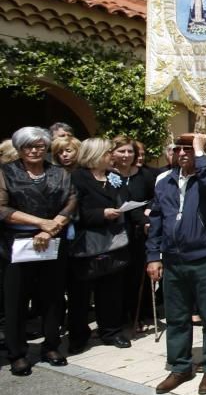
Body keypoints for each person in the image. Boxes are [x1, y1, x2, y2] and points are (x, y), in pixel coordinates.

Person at [146, 133, 206, 395]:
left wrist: (201, 151)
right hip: (173, 259)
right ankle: (180, 366)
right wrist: (153, 256)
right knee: (177, 317)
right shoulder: (164, 181)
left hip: (205, 258)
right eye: (178, 149)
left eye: (189, 150)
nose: (183, 154)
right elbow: (157, 219)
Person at [0, 127, 76, 375]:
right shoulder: (5, 172)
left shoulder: (59, 173)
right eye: (28, 147)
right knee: (17, 301)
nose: (34, 150)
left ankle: (51, 346)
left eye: (39, 146)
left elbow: (71, 201)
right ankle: (18, 353)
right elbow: (2, 209)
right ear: (20, 150)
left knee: (53, 298)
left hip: (53, 242)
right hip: (17, 243)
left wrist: (51, 228)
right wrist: (39, 223)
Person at [67, 138, 131, 354]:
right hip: (87, 243)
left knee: (111, 290)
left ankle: (111, 331)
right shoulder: (77, 178)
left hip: (113, 241)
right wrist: (101, 214)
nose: (111, 156)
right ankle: (78, 335)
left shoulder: (114, 177)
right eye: (108, 152)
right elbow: (73, 211)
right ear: (95, 155)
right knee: (80, 294)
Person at [110, 135, 156, 329]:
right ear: (112, 153)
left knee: (139, 276)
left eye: (130, 151)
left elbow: (155, 196)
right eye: (122, 151)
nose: (126, 155)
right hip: (116, 232)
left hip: (140, 231)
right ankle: (119, 317)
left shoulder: (145, 175)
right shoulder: (109, 175)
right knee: (118, 278)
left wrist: (149, 209)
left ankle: (140, 315)